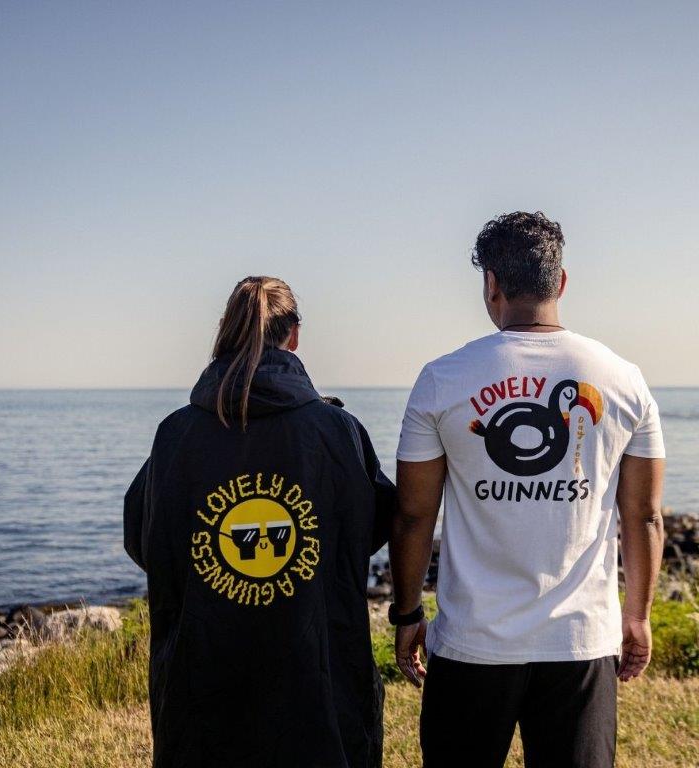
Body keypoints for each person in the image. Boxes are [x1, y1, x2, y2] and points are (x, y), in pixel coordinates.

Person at [390, 212, 665, 768]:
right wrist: (636, 615)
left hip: (471, 643)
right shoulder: (624, 379)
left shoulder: (442, 379)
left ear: (490, 282)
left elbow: (413, 516)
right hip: (580, 643)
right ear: (561, 282)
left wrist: (406, 613)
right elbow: (644, 517)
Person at [124, 276, 393, 768]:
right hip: (319, 685)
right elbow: (374, 526)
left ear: (225, 332)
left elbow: (144, 540)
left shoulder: (176, 435)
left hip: (204, 681)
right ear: (294, 335)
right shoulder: (338, 431)